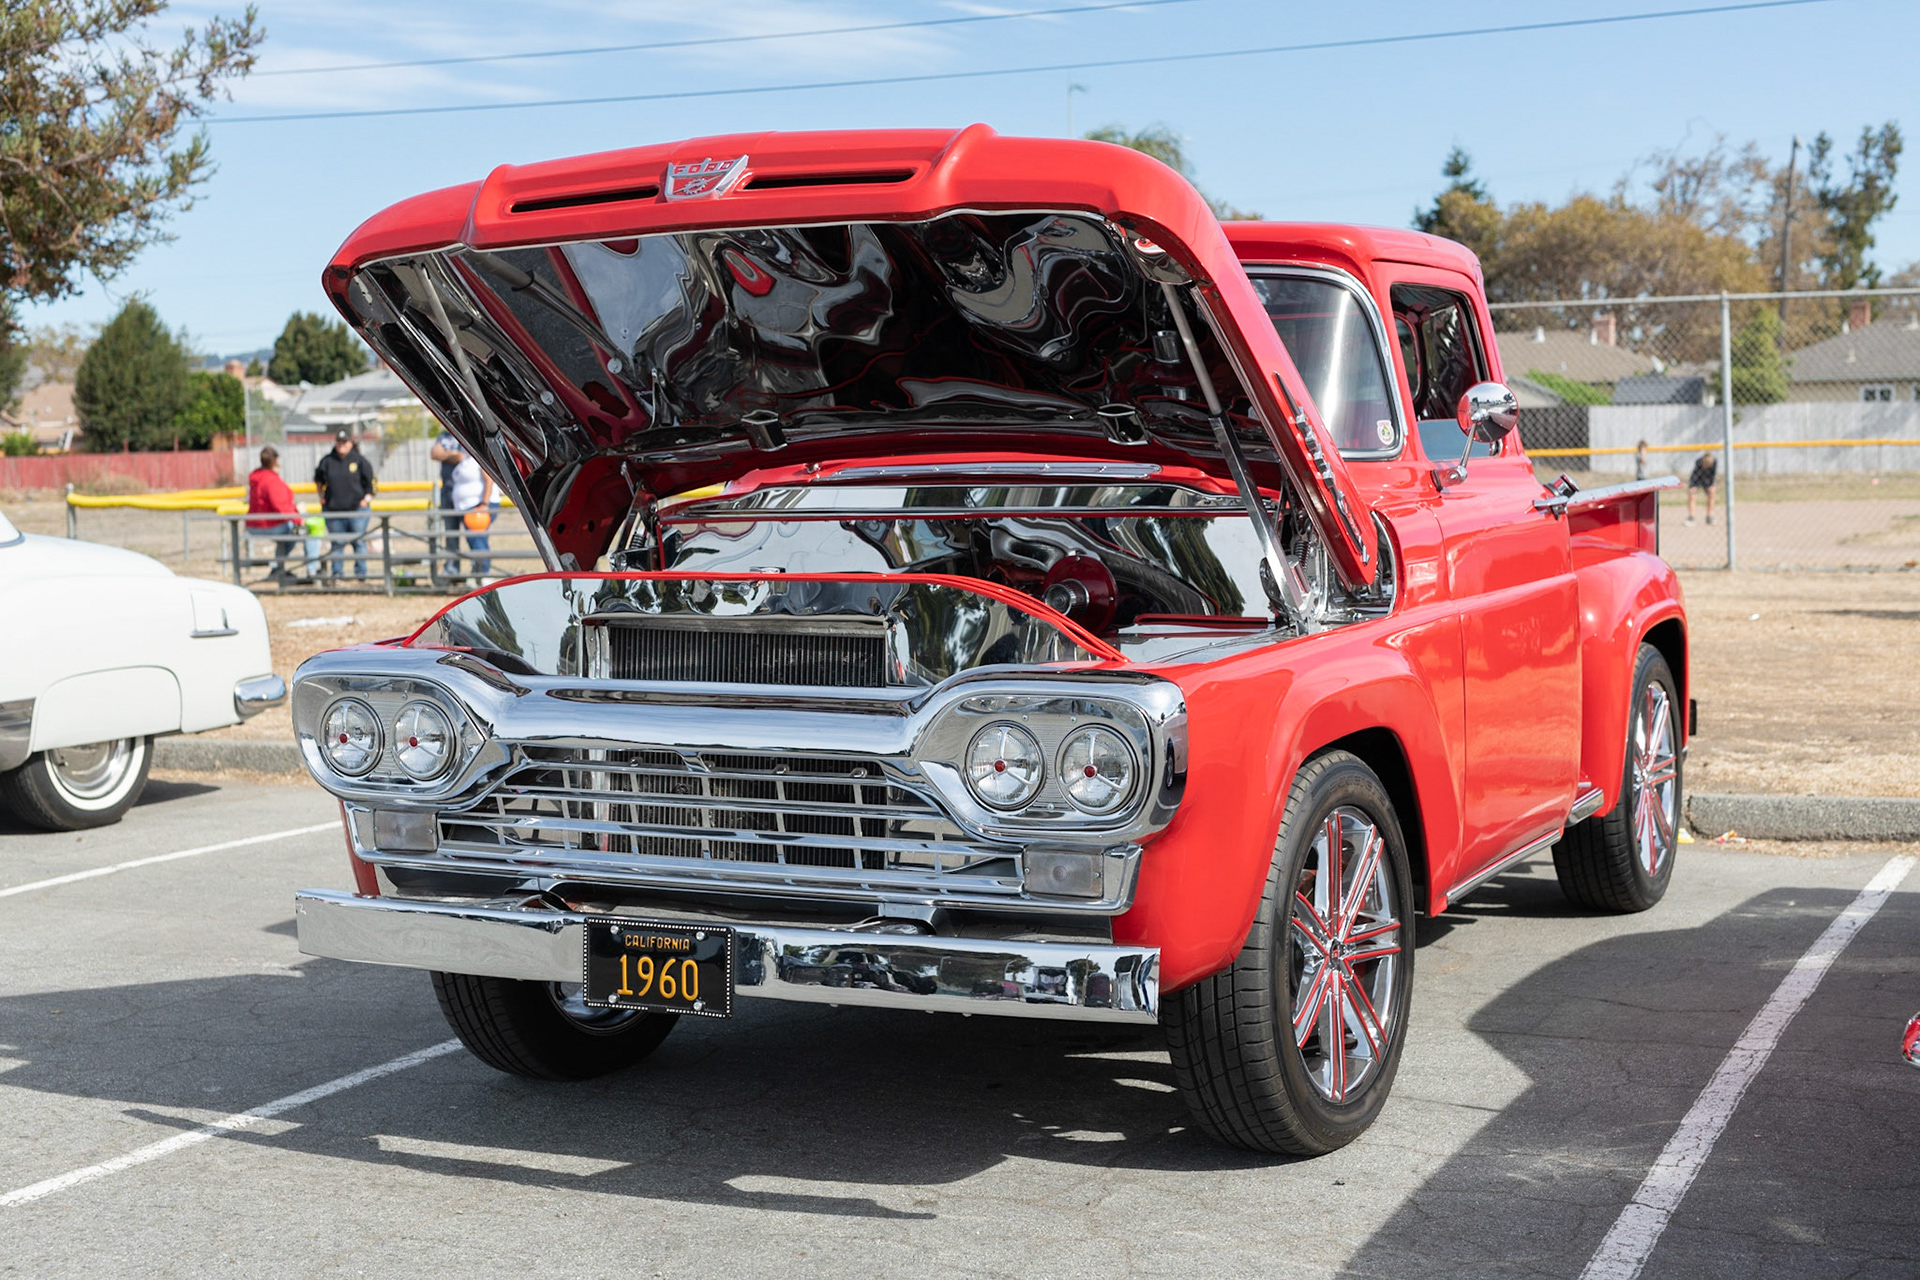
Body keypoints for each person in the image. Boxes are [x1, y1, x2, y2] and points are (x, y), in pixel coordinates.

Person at [314, 429, 377, 578]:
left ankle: (361, 574)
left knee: (359, 542)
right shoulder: (327, 461)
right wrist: (321, 497)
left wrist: (366, 500)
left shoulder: (360, 460)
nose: (341, 445)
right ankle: (337, 574)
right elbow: (318, 479)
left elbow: (371, 483)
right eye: (339, 441)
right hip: (334, 510)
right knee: (337, 543)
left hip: (357, 510)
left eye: (344, 442)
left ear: (351, 443)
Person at [245, 445, 306, 582]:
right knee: (297, 531)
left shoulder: (256, 477)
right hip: (268, 524)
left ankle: (278, 569)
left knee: (288, 535)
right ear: (275, 460)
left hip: (254, 524)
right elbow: (280, 505)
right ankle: (285, 569)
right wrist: (299, 519)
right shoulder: (271, 480)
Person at [444, 432, 496, 582]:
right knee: (474, 541)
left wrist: (484, 504)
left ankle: (484, 574)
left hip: (478, 505)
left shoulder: (479, 457)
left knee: (478, 541)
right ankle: (477, 574)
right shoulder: (465, 458)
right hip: (467, 506)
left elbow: (489, 480)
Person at [429, 429, 466, 584]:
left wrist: (445, 454)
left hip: (466, 494)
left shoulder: (465, 433)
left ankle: (478, 572)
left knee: (474, 536)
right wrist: (453, 455)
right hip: (447, 492)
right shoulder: (443, 435)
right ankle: (452, 570)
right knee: (450, 534)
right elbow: (434, 454)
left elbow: (463, 457)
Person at [1685, 449, 1718, 526]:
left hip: (1707, 480)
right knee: (1692, 494)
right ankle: (1691, 517)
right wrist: (1692, 486)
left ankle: (1709, 516)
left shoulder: (1714, 462)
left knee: (1712, 492)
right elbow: (1695, 476)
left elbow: (1712, 476)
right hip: (1697, 479)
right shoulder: (1698, 462)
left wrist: (1710, 486)